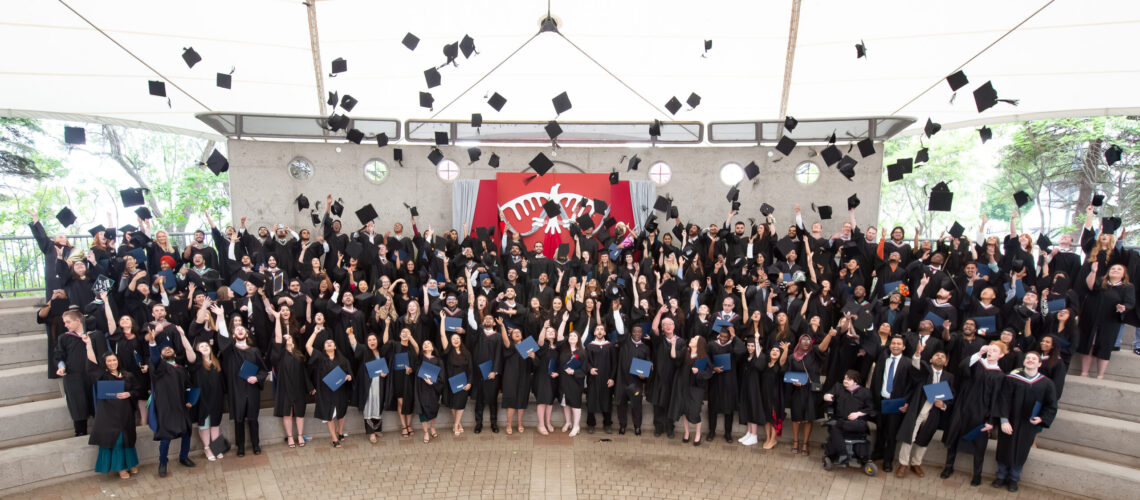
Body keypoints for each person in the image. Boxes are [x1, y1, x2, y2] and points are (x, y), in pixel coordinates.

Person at [940, 344, 1006, 486]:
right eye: (990, 349)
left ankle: (977, 474)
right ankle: (948, 467)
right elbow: (962, 366)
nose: (990, 352)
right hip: (963, 406)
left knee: (979, 445)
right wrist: (979, 352)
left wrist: (991, 420)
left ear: (1001, 355)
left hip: (981, 413)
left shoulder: (1000, 375)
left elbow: (996, 399)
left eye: (995, 350)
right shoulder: (977, 364)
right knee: (954, 438)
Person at [993, 351, 1058, 492]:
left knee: (1021, 451)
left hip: (1028, 424)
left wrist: (1042, 418)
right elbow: (1003, 399)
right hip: (1009, 422)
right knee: (1004, 449)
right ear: (1023, 362)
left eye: (1034, 359)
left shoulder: (1046, 383)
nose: (1030, 360)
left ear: (1039, 364)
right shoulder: (1011, 378)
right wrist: (1003, 420)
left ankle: (1014, 479)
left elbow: (1051, 405)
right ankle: (1000, 476)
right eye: (1028, 358)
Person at [82, 333, 140, 479]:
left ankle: (130, 463)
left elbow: (137, 390)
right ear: (105, 363)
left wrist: (129, 394)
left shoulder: (128, 375)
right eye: (109, 361)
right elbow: (91, 364)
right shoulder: (103, 376)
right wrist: (88, 344)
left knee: (129, 440)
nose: (112, 362)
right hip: (110, 416)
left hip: (126, 414)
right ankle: (120, 468)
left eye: (114, 360)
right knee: (118, 441)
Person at [895, 343, 954, 478]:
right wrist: (917, 353)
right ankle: (903, 463)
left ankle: (916, 463)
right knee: (909, 436)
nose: (940, 357)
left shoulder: (949, 377)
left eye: (942, 356)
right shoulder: (925, 370)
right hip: (919, 408)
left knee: (925, 438)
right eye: (937, 356)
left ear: (946, 362)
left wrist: (943, 404)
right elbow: (915, 366)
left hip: (934, 412)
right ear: (931, 360)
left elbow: (951, 396)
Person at [145, 322, 196, 478]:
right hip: (165, 407)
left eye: (170, 348)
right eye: (164, 349)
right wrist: (153, 342)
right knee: (166, 438)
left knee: (187, 432)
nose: (167, 349)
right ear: (161, 356)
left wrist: (190, 400)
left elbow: (188, 387)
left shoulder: (180, 369)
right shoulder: (159, 367)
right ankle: (162, 462)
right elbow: (154, 356)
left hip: (181, 406)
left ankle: (183, 457)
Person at [1077, 262, 1134, 378]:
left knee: (1104, 346)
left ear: (1124, 274)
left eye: (1119, 269)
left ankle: (1100, 375)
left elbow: (1130, 302)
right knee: (1089, 344)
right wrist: (1093, 271)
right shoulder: (1100, 281)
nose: (1115, 270)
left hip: (1110, 320)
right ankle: (1084, 372)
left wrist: (1123, 307)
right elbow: (1090, 286)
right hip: (1091, 318)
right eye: (1113, 268)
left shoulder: (1127, 287)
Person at [871, 335, 917, 473]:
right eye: (893, 343)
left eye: (898, 344)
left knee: (891, 434)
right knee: (880, 428)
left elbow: (911, 385)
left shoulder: (908, 363)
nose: (895, 345)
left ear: (903, 347)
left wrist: (906, 402)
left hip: (896, 403)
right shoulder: (883, 359)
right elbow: (876, 379)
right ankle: (878, 452)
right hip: (881, 400)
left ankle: (888, 460)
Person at [269, 303, 312, 448]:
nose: (288, 339)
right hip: (285, 385)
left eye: (290, 338)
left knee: (299, 411)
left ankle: (300, 435)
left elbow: (303, 371)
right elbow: (278, 339)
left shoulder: (298, 355)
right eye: (282, 310)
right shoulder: (281, 354)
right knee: (288, 412)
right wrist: (276, 318)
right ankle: (290, 437)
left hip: (298, 385)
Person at [821, 370, 875, 473]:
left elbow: (870, 409)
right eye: (845, 378)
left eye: (849, 379)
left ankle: (843, 454)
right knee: (835, 426)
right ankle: (843, 454)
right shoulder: (838, 387)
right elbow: (826, 395)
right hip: (841, 420)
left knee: (834, 426)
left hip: (857, 423)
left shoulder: (865, 392)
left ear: (856, 382)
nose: (845, 381)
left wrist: (858, 414)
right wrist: (826, 396)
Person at [305, 327, 352, 448]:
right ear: (324, 348)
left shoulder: (343, 360)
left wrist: (349, 377)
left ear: (335, 347)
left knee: (341, 413)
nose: (329, 343)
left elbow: (350, 373)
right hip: (326, 392)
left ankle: (340, 431)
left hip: (341, 391)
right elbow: (308, 346)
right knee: (330, 414)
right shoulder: (320, 358)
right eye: (327, 343)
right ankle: (334, 438)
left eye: (331, 342)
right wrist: (315, 332)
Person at [55, 309, 95, 436]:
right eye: (64, 322)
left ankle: (101, 429)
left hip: (92, 375)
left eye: (68, 322)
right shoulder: (64, 338)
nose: (65, 325)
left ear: (78, 321)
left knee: (95, 403)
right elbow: (59, 356)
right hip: (73, 376)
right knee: (77, 405)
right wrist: (61, 367)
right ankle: (80, 432)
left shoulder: (93, 335)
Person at [669, 335, 713, 446]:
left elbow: (709, 372)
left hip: (696, 388)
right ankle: (687, 432)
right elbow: (674, 356)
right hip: (683, 385)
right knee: (684, 409)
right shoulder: (685, 352)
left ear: (699, 344)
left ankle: (698, 433)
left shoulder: (703, 357)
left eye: (694, 339)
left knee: (695, 410)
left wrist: (698, 372)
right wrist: (673, 344)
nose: (692, 339)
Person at [614, 324, 651, 435]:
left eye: (639, 332)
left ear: (642, 333)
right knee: (621, 404)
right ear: (631, 332)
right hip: (622, 380)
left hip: (636, 382)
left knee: (637, 405)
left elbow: (647, 364)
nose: (636, 334)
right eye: (634, 331)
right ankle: (622, 426)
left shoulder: (645, 348)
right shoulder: (625, 344)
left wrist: (644, 375)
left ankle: (637, 427)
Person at [583, 324, 616, 434]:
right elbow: (585, 362)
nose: (600, 331)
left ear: (605, 333)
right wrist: (590, 369)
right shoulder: (589, 346)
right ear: (594, 333)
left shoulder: (610, 346)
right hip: (593, 379)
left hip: (606, 378)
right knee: (591, 401)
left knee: (607, 401)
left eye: (602, 329)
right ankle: (591, 424)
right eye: (597, 329)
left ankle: (607, 424)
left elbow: (614, 364)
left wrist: (612, 378)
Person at [500, 325, 533, 435]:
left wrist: (533, 356)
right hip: (511, 377)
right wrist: (502, 326)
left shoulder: (527, 346)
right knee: (511, 400)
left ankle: (520, 423)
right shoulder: (511, 346)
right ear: (511, 336)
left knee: (521, 400)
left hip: (524, 377)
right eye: (514, 333)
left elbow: (534, 362)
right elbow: (505, 339)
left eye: (519, 332)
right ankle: (508, 424)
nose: (517, 333)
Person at [558, 329, 587, 437]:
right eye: (570, 336)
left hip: (575, 382)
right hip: (563, 380)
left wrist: (574, 371)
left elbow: (584, 369)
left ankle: (576, 426)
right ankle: (568, 422)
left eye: (574, 336)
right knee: (565, 403)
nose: (572, 337)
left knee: (575, 404)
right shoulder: (564, 350)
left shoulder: (582, 352)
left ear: (578, 339)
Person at [414, 340, 443, 443]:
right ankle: (426, 432)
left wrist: (433, 382)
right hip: (421, 388)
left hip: (433, 389)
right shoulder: (420, 359)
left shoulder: (438, 360)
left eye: (428, 343)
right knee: (422, 410)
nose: (426, 344)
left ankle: (433, 427)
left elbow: (442, 376)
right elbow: (416, 371)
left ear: (432, 348)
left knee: (433, 409)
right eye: (424, 343)